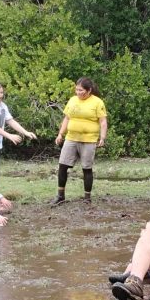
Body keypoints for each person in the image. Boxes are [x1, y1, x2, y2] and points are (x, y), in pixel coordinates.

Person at [53, 77, 108, 205]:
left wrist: (102, 137)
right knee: (62, 165)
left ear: (89, 91)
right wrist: (60, 134)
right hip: (71, 137)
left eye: (81, 90)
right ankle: (61, 196)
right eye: (76, 90)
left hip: (89, 139)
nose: (78, 92)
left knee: (86, 168)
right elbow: (67, 118)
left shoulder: (97, 102)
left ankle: (87, 198)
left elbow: (103, 121)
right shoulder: (72, 100)